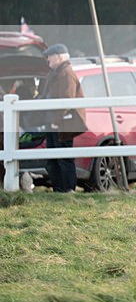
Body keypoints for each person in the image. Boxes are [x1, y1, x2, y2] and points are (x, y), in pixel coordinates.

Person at [41, 43, 87, 192]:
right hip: (57, 122)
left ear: (58, 57)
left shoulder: (65, 73)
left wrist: (55, 121)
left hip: (62, 123)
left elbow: (66, 99)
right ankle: (60, 189)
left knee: (63, 158)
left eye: (50, 56)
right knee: (54, 158)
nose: (48, 59)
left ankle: (67, 190)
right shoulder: (58, 72)